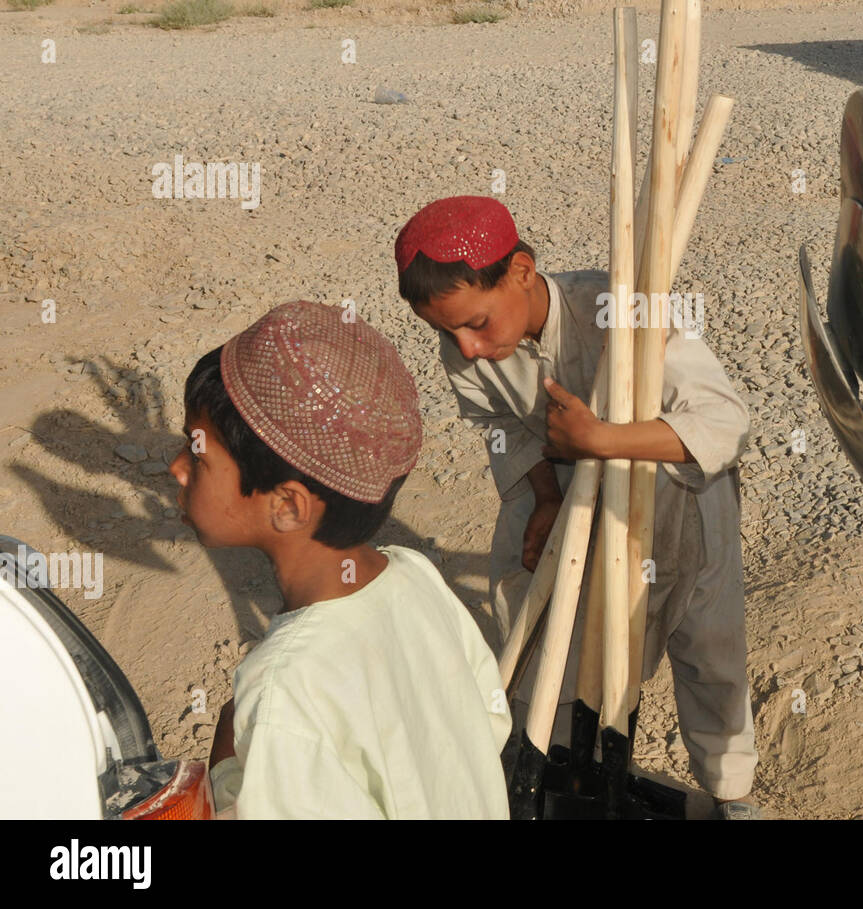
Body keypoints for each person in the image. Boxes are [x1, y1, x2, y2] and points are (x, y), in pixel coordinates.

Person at [394, 196, 759, 816]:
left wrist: (603, 440)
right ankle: (562, 769)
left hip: (679, 492)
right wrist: (543, 495)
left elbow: (725, 424)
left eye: (477, 323)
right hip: (565, 490)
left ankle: (733, 797)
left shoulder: (619, 312)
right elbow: (499, 423)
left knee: (708, 652)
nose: (467, 347)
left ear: (522, 272)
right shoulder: (464, 348)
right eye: (445, 331)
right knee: (540, 628)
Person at [169, 300, 510, 819]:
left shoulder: (285, 684)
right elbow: (490, 719)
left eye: (198, 456)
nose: (176, 468)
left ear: (286, 506)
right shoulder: (414, 574)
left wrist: (224, 767)